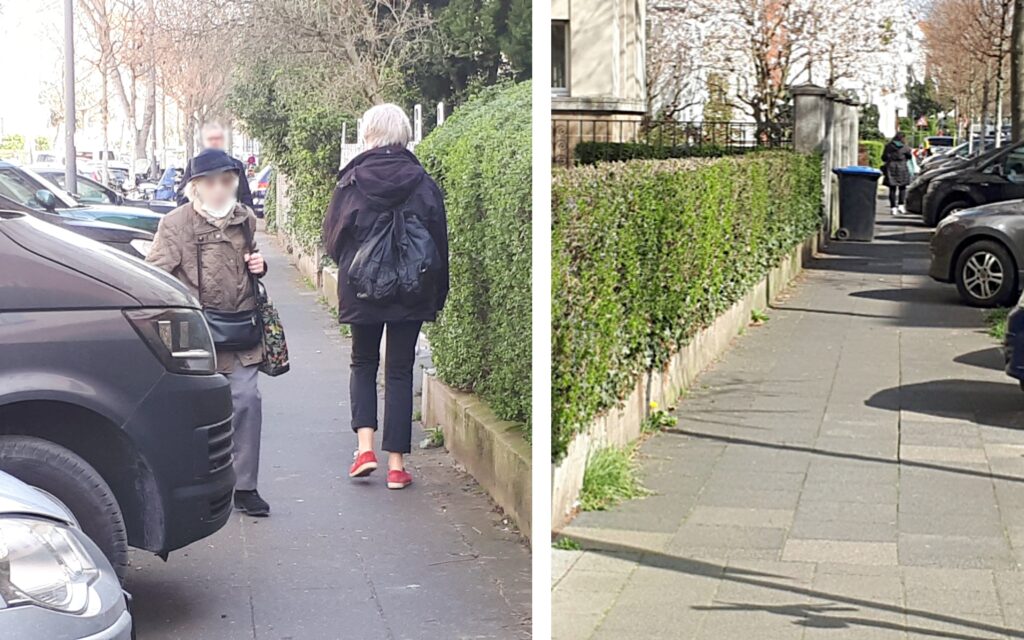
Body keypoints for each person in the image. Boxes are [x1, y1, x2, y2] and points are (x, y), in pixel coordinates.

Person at [322, 104, 449, 490]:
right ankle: (396, 465)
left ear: (368, 135)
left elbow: (333, 239)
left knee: (363, 362)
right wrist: (438, 293)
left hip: (362, 288)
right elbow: (439, 243)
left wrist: (352, 264)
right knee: (399, 369)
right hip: (411, 290)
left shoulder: (351, 181)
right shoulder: (423, 182)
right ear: (404, 135)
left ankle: (365, 450)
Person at [147, 148, 272, 516]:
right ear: (196, 186)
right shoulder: (176, 224)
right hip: (195, 335)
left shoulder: (245, 219)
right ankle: (196, 488)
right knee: (196, 411)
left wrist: (259, 266)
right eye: (210, 182)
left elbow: (251, 263)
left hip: (240, 330)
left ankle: (245, 487)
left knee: (247, 401)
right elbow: (154, 275)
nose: (218, 189)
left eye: (225, 181)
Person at [176, 122, 254, 208]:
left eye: (218, 138)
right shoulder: (194, 165)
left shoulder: (236, 165)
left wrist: (245, 214)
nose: (214, 142)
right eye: (210, 139)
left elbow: (245, 196)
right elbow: (182, 195)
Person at [882, 131, 913, 215]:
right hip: (902, 167)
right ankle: (901, 205)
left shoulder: (888, 146)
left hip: (890, 167)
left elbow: (883, 158)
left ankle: (893, 208)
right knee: (902, 187)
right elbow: (909, 157)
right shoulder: (905, 147)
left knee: (892, 188)